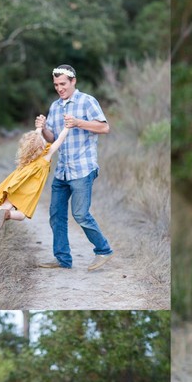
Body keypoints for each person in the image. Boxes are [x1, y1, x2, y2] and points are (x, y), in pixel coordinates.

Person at [34, 64, 114, 271]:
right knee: (56, 215)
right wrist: (43, 128)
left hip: (82, 169)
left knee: (80, 214)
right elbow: (51, 139)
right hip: (62, 170)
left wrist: (79, 122)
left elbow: (104, 127)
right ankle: (63, 259)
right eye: (56, 85)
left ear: (73, 82)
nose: (60, 88)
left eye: (63, 84)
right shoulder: (55, 106)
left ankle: (103, 250)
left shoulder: (87, 101)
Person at [0, 127, 70, 242]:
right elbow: (59, 140)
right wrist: (67, 127)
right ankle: (7, 215)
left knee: (4, 206)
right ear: (40, 146)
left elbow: (33, 139)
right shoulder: (45, 156)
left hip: (15, 186)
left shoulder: (26, 158)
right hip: (28, 191)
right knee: (21, 214)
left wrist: (39, 128)